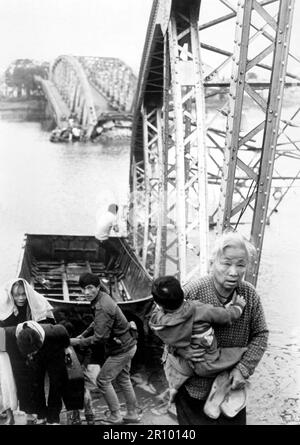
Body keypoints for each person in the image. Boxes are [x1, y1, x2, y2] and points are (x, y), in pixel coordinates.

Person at [172, 231, 269, 425]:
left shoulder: (249, 295)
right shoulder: (192, 292)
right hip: (194, 389)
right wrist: (183, 349)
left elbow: (261, 334)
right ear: (212, 263)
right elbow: (163, 327)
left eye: (241, 265)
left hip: (231, 390)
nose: (234, 272)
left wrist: (243, 369)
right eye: (226, 263)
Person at [149, 275, 247, 405]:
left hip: (184, 364)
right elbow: (226, 317)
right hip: (207, 361)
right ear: (182, 292)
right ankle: (221, 391)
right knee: (237, 353)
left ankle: (173, 388)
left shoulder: (160, 322)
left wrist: (159, 307)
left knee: (170, 360)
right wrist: (238, 306)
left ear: (160, 305)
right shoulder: (199, 309)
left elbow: (155, 314)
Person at [70, 272, 140, 425]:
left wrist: (77, 342)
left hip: (122, 350)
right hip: (128, 344)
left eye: (90, 288)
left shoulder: (102, 306)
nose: (86, 293)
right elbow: (97, 322)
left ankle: (115, 415)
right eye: (83, 289)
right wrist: (84, 333)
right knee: (123, 379)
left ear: (97, 287)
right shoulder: (102, 297)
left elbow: (100, 338)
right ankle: (132, 413)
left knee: (102, 381)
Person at [0, 278, 55, 424]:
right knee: (21, 382)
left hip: (34, 349)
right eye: (17, 295)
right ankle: (27, 414)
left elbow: (49, 325)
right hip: (15, 351)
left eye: (23, 294)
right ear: (11, 294)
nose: (21, 298)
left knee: (37, 381)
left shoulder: (38, 302)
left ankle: (41, 414)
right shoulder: (4, 306)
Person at [3, 321, 70, 425]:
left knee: (56, 384)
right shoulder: (11, 333)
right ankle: (41, 414)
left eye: (33, 352)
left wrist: (67, 352)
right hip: (35, 359)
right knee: (35, 384)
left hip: (54, 353)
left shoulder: (56, 331)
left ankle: (53, 419)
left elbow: (66, 342)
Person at [95, 203, 120, 271]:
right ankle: (109, 269)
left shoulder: (104, 214)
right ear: (116, 211)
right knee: (116, 253)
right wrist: (116, 227)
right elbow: (117, 230)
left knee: (108, 250)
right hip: (103, 239)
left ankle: (106, 265)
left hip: (97, 238)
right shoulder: (113, 217)